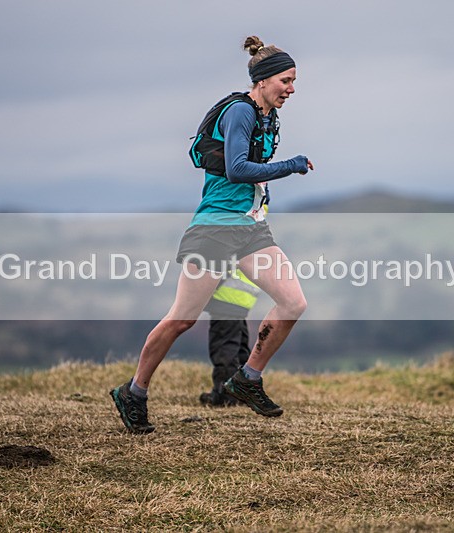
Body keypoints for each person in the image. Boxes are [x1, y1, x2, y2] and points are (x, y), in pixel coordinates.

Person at [110, 35, 314, 433]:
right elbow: (237, 169)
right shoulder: (240, 112)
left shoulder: (268, 116)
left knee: (293, 303)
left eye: (293, 81)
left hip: (250, 228)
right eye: (286, 81)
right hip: (215, 229)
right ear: (263, 80)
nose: (291, 89)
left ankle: (247, 378)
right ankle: (133, 392)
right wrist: (289, 165)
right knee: (182, 319)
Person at [200, 270, 260, 407]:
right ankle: (243, 393)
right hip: (242, 298)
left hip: (226, 297)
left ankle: (226, 395)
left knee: (224, 349)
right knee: (240, 349)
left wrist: (203, 290)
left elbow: (218, 265)